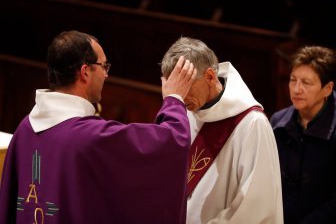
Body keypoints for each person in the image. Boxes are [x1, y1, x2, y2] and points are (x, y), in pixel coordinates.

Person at [0, 30, 197, 224]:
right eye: (104, 66)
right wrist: (174, 99)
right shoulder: (89, 137)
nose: (106, 75)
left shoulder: (25, 128)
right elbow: (171, 142)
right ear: (85, 72)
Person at [161, 37, 283, 224]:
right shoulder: (185, 113)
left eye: (187, 86)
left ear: (210, 76)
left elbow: (257, 206)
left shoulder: (252, 124)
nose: (181, 96)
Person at [270, 45, 336, 224]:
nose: (296, 89)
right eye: (293, 80)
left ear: (327, 89)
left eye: (306, 83)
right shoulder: (278, 122)